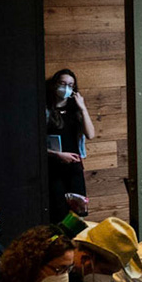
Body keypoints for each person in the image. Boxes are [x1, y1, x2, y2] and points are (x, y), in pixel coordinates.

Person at [45, 69, 96, 218]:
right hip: (54, 167)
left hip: (74, 167)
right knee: (58, 211)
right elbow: (35, 143)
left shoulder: (75, 110)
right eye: (62, 83)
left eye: (70, 85)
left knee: (78, 212)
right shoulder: (46, 110)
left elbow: (91, 134)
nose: (66, 88)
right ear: (55, 85)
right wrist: (57, 155)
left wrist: (83, 107)